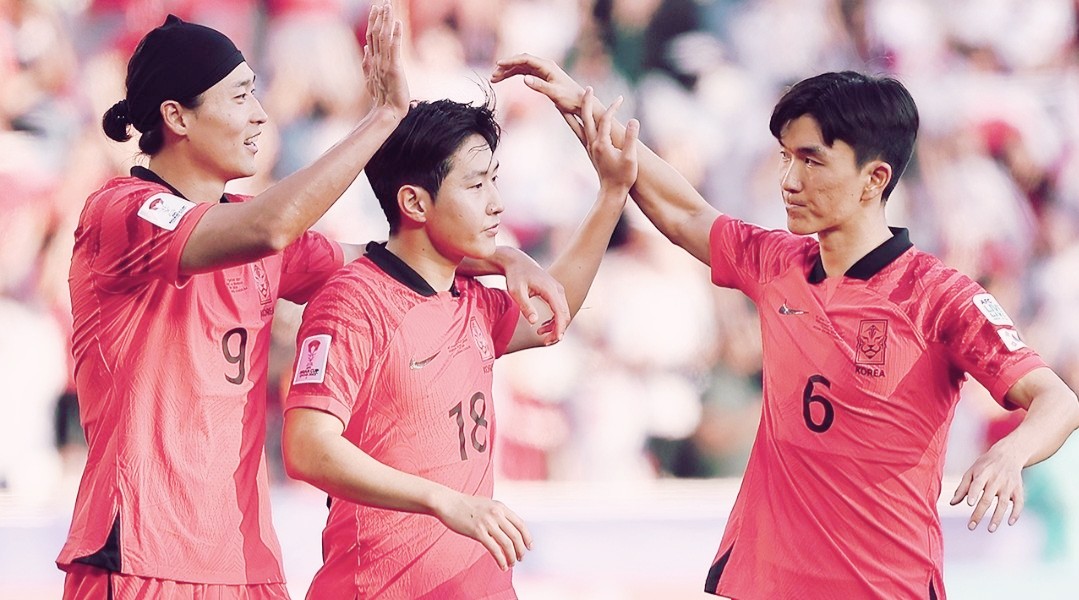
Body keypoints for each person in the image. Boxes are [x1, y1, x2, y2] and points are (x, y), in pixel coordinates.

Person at [491, 56, 1079, 599]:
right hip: (769, 583)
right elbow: (683, 211)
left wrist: (1011, 453)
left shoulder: (939, 296)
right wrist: (581, 106)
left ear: (874, 178)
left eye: (811, 160)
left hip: (884, 587)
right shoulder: (778, 263)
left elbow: (1057, 400)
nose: (788, 180)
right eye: (785, 157)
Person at [57, 5, 569, 598]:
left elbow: (393, 255)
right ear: (178, 117)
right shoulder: (122, 212)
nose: (260, 114)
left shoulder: (251, 233)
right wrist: (382, 118)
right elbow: (270, 227)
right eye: (240, 96)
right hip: (138, 556)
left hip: (247, 567)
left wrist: (503, 257)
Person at [280, 89, 639, 599]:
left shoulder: (470, 300)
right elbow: (307, 447)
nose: (496, 202)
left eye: (494, 179)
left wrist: (612, 194)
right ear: (414, 202)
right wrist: (442, 499)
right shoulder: (353, 301)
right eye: (475, 184)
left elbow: (552, 313)